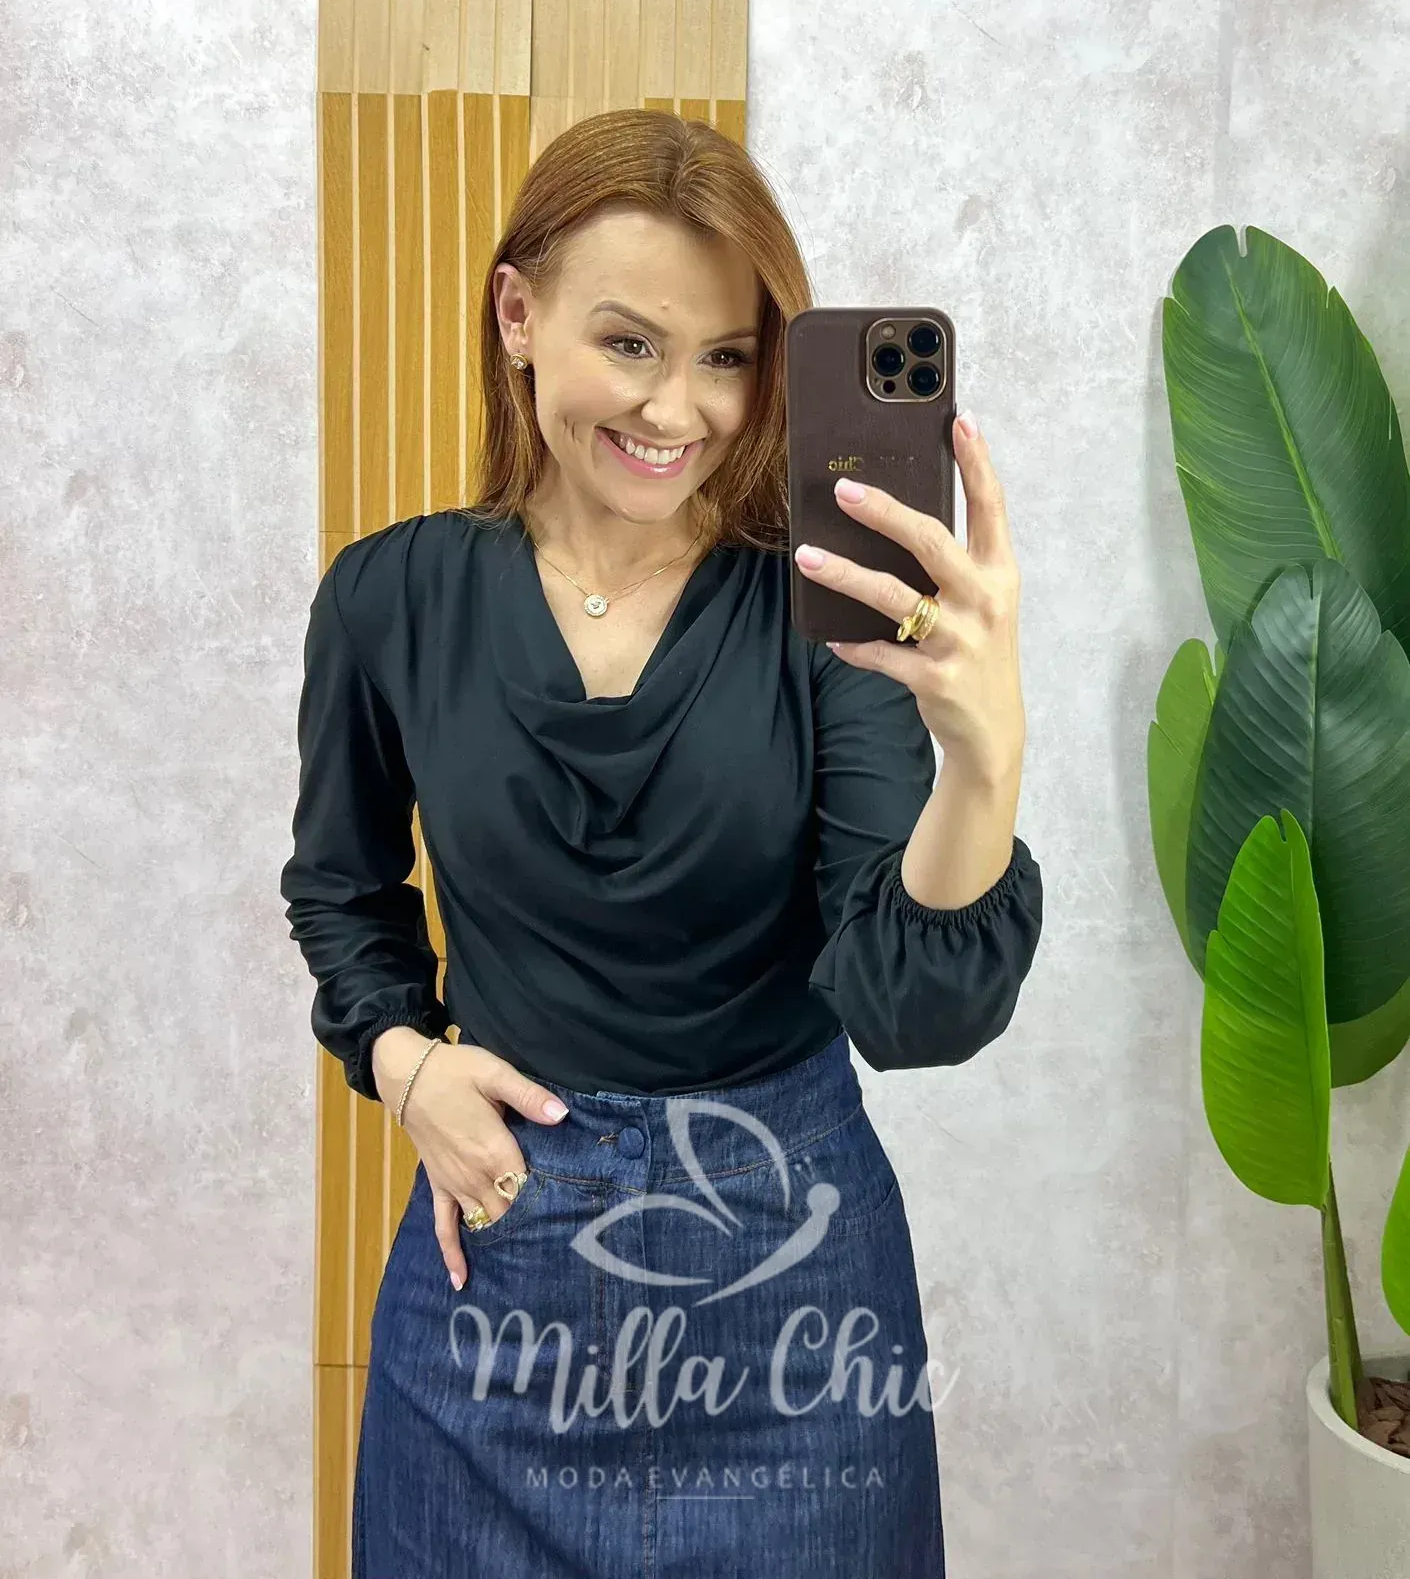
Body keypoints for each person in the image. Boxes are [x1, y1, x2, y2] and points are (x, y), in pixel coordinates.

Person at [280, 107, 1043, 1579]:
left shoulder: (826, 618)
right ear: (518, 315)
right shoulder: (387, 599)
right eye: (629, 342)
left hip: (794, 1300)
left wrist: (984, 755)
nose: (677, 409)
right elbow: (342, 891)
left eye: (727, 357)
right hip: (494, 1272)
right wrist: (404, 1061)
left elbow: (912, 1013)